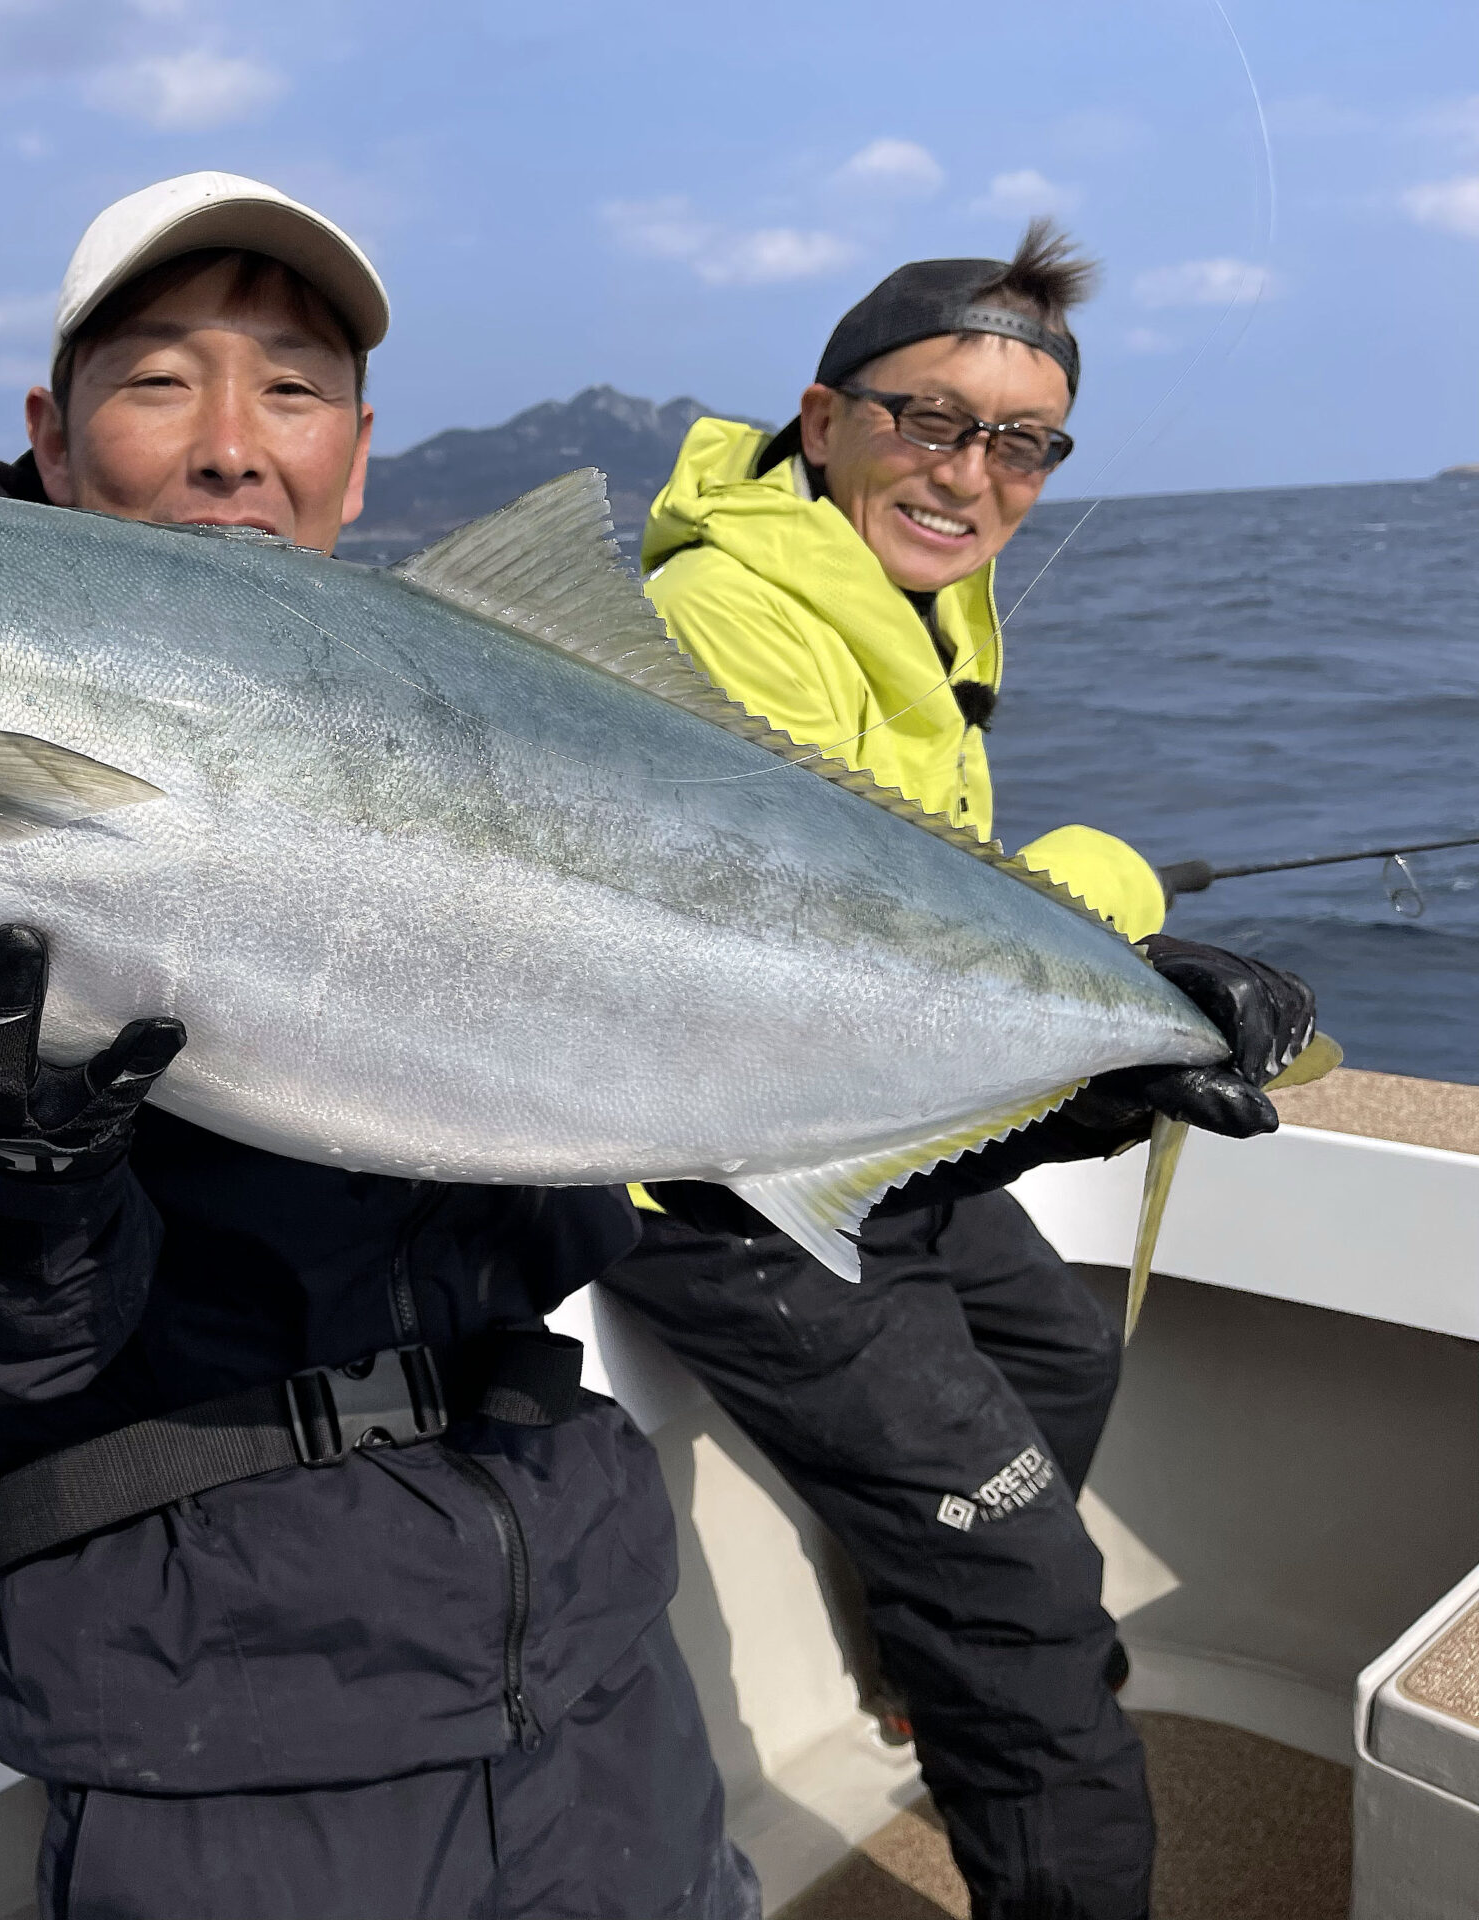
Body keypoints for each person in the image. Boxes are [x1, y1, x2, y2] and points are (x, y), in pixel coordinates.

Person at [0, 173, 759, 1920]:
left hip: (584, 1655)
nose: (233, 446)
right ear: (54, 443)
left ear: (355, 460)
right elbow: (8, 1375)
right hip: (230, 1725)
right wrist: (22, 1197)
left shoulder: (476, 750)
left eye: (290, 390)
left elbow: (678, 1127)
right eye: (159, 383)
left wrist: (1045, 1082)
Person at [610, 223, 1318, 1920]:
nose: (970, 472)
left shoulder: (905, 584)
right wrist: (1121, 906)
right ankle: (979, 1643)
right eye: (929, 419)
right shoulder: (733, 609)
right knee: (1034, 1606)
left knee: (1065, 1352)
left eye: (1021, 443)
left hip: (875, 1126)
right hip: (733, 1171)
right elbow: (844, 927)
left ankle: (931, 1632)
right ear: (825, 414)